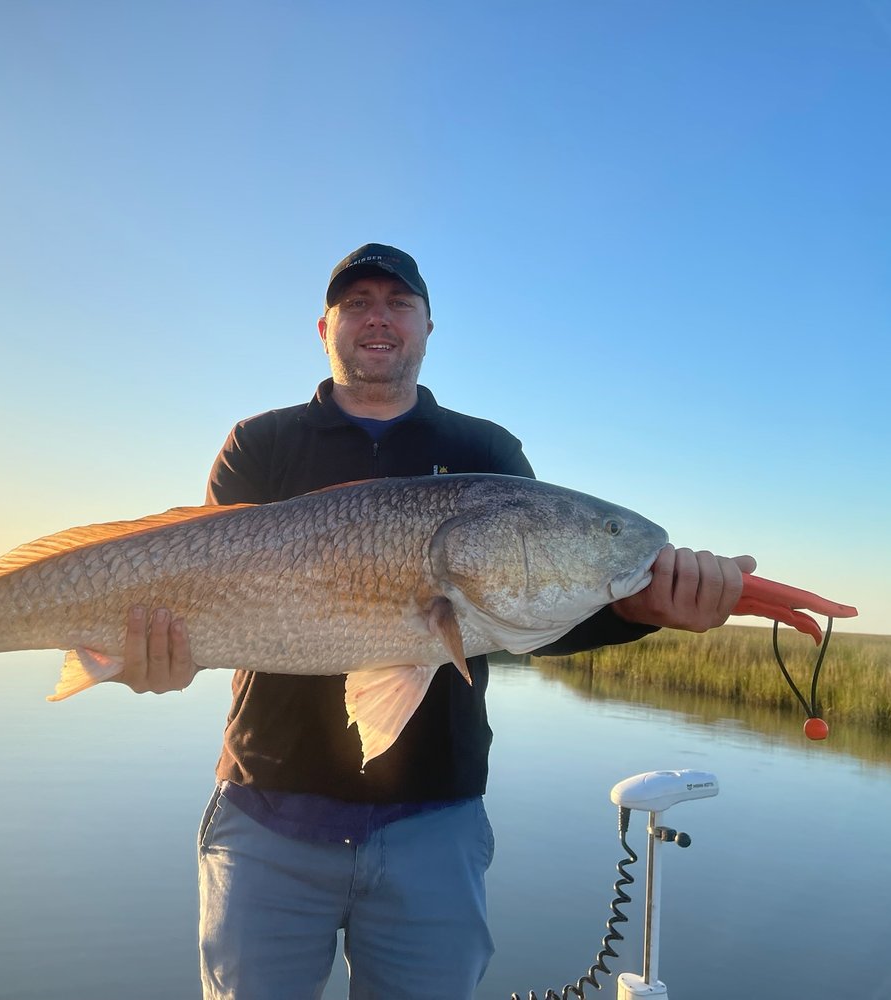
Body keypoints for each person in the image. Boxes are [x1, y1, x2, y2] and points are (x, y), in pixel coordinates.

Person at [115, 244, 755, 1000]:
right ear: (324, 327)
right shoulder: (261, 443)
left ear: (427, 326)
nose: (377, 318)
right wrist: (147, 658)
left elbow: (532, 612)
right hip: (265, 817)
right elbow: (205, 587)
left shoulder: (483, 451)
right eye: (357, 304)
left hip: (434, 824)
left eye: (397, 303)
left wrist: (640, 610)